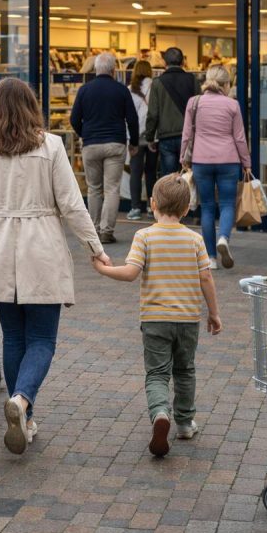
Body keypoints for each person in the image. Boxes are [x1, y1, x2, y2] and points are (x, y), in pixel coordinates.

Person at [0, 78, 110, 454]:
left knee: (14, 337)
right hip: (41, 247)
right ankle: (22, 401)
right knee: (42, 339)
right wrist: (94, 247)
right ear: (32, 107)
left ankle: (23, 415)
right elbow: (72, 204)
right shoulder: (51, 145)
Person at [93, 174, 222, 457]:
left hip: (154, 320)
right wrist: (214, 313)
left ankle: (160, 413)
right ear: (187, 208)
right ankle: (185, 423)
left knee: (157, 374)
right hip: (188, 320)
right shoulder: (195, 239)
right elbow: (206, 278)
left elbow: (130, 273)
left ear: (153, 204)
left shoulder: (144, 236)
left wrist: (103, 270)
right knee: (185, 370)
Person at [179, 65, 250, 270]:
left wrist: (183, 157)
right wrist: (246, 162)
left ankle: (210, 258)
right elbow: (239, 137)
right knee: (227, 204)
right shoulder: (232, 105)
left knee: (208, 207)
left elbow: (187, 134)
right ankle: (224, 238)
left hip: (201, 160)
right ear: (226, 84)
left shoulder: (194, 102)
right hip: (229, 160)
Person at [70, 52, 139, 244]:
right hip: (115, 144)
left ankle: (94, 230)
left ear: (95, 69)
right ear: (113, 70)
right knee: (112, 189)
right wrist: (134, 143)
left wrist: (85, 134)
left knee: (94, 189)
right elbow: (132, 119)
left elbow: (74, 119)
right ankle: (107, 231)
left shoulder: (84, 90)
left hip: (91, 144)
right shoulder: (121, 90)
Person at [145, 47, 201, 178]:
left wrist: (150, 137)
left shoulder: (157, 83)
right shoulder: (192, 80)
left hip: (166, 137)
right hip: (188, 136)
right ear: (183, 62)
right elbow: (199, 108)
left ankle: (171, 192)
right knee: (188, 176)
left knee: (169, 178)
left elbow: (153, 113)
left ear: (165, 62)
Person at [127, 60, 157, 220]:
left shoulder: (130, 89)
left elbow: (127, 115)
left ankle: (135, 208)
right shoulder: (155, 86)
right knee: (151, 172)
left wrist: (130, 138)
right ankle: (152, 207)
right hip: (152, 135)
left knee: (135, 172)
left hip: (136, 136)